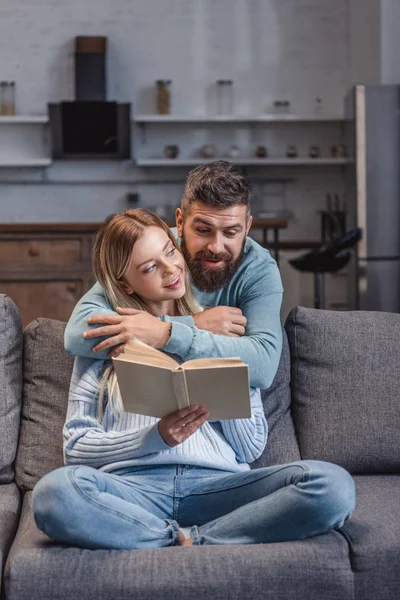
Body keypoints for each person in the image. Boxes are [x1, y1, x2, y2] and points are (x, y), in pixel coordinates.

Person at [32, 208, 355, 550]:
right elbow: (76, 448)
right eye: (150, 267)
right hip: (132, 491)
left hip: (220, 488)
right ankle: (169, 537)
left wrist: (220, 388)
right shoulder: (108, 339)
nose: (171, 269)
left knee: (331, 486)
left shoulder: (221, 331)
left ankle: (197, 540)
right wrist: (156, 437)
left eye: (170, 252)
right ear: (125, 282)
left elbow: (250, 447)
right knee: (55, 494)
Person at [64, 161, 283, 390]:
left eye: (230, 232)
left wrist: (163, 333)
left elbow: (263, 366)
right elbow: (77, 334)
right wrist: (193, 325)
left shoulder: (259, 270)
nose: (216, 246)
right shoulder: (156, 246)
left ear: (247, 227)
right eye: (203, 230)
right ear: (179, 222)